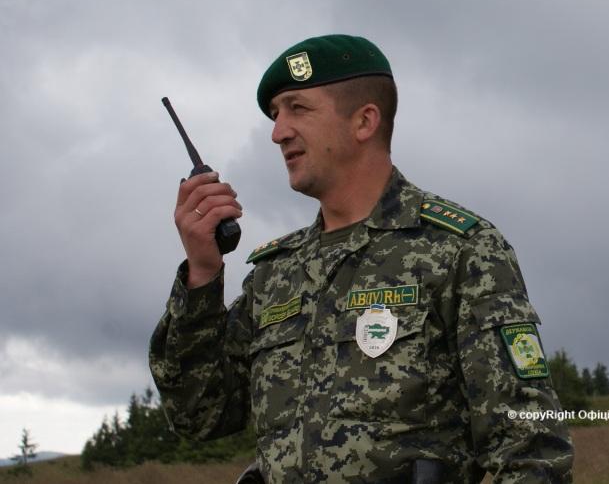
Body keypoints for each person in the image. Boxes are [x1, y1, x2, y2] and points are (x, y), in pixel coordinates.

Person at [149, 35, 573, 483]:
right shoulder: (276, 274)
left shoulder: (459, 251)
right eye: (276, 115)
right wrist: (202, 273)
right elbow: (199, 414)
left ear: (364, 121)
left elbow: (532, 451)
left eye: (297, 108)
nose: (278, 132)